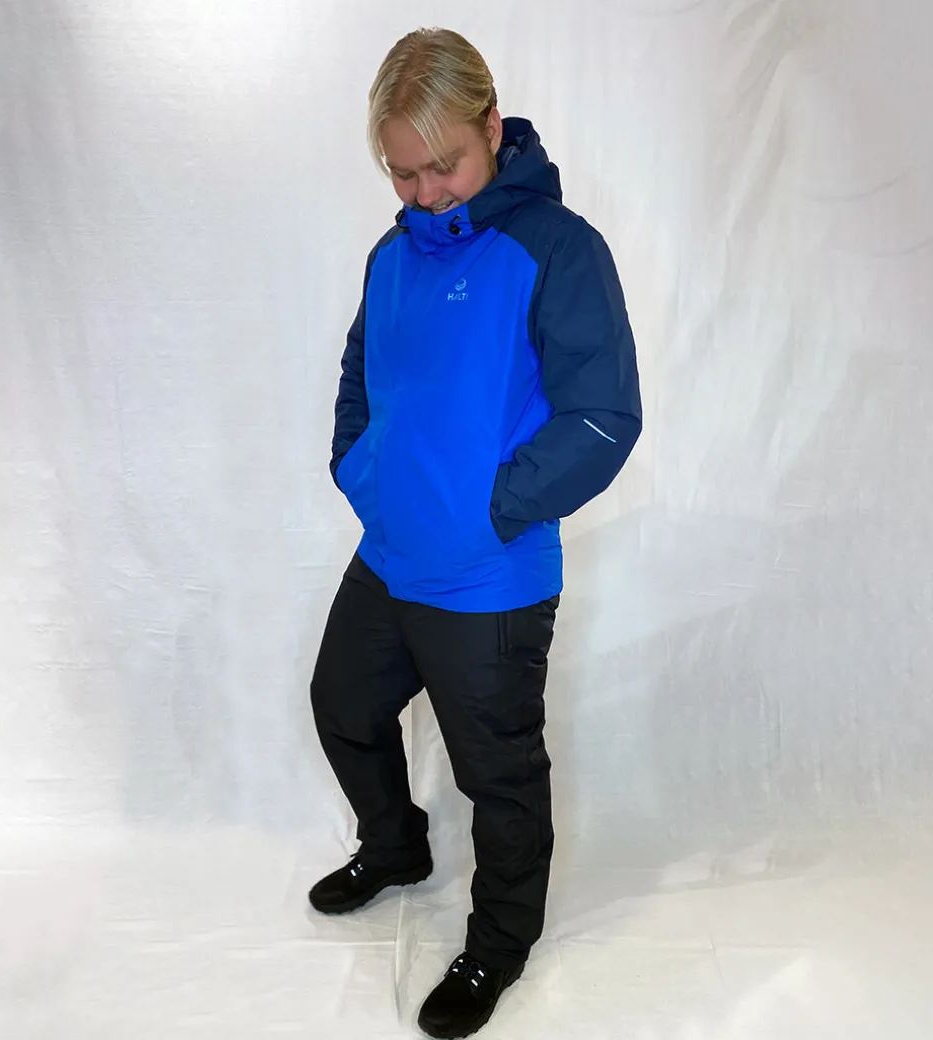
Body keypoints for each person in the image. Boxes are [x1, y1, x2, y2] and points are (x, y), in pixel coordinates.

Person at [308, 27, 642, 1039]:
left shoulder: (557, 250)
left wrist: (488, 506)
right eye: (401, 173)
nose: (423, 193)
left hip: (489, 577)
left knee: (496, 773)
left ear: (491, 128)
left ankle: (498, 940)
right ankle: (394, 845)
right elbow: (361, 376)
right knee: (341, 707)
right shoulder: (390, 254)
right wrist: (361, 472)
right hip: (390, 555)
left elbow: (603, 417)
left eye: (442, 164)